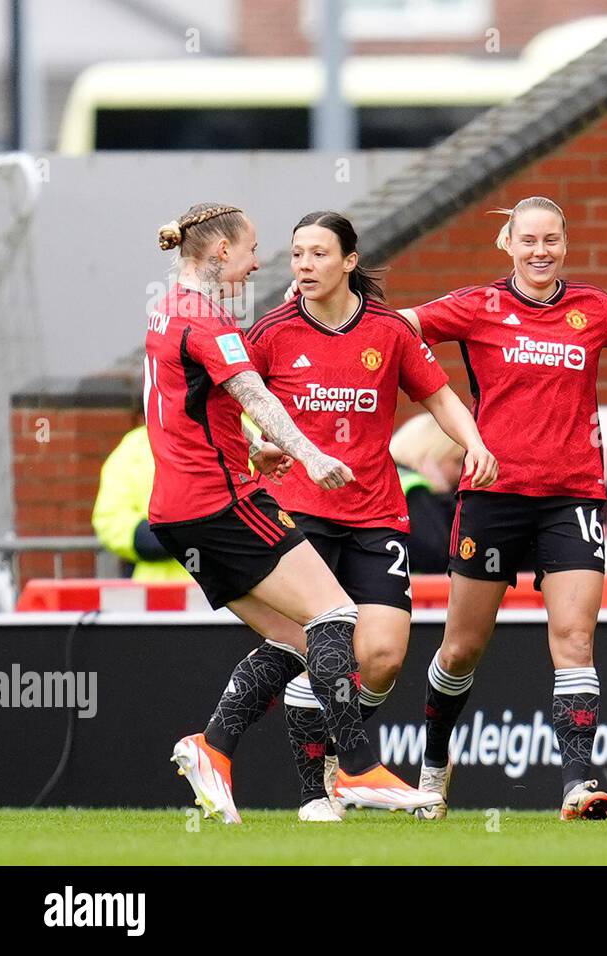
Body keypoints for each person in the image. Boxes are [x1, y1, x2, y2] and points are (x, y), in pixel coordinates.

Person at [402, 196, 607, 819]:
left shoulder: (592, 308)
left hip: (573, 494)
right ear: (508, 243)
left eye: (551, 239)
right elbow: (398, 329)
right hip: (492, 497)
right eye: (528, 240)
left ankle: (577, 784)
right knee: (460, 650)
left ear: (565, 242)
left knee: (576, 639)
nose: (540, 251)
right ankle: (432, 766)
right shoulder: (476, 306)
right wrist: (330, 312)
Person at [147, 202, 433, 823]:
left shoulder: (165, 308)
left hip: (175, 510)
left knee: (299, 638)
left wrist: (250, 445)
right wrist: (311, 454)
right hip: (220, 501)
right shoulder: (210, 319)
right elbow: (254, 394)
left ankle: (212, 748)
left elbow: (183, 408)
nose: (260, 262)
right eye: (251, 249)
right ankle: (356, 770)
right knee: (336, 613)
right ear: (221, 251)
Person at [230, 211, 496, 822]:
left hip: (376, 514)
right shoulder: (272, 332)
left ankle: (331, 754)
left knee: (381, 656)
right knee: (311, 650)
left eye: (319, 254)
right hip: (301, 514)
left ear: (349, 261)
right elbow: (230, 399)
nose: (304, 266)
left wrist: (474, 443)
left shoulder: (388, 331)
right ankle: (316, 790)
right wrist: (256, 444)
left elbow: (439, 395)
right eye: (297, 254)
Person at [92, 422, 191, 581]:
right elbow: (110, 519)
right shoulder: (136, 445)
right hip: (155, 593)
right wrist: (154, 537)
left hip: (233, 593)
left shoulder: (240, 431)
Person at [389, 413, 469, 574]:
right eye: (456, 461)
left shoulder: (390, 478)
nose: (459, 471)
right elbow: (436, 557)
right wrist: (443, 497)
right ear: (430, 453)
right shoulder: (415, 488)